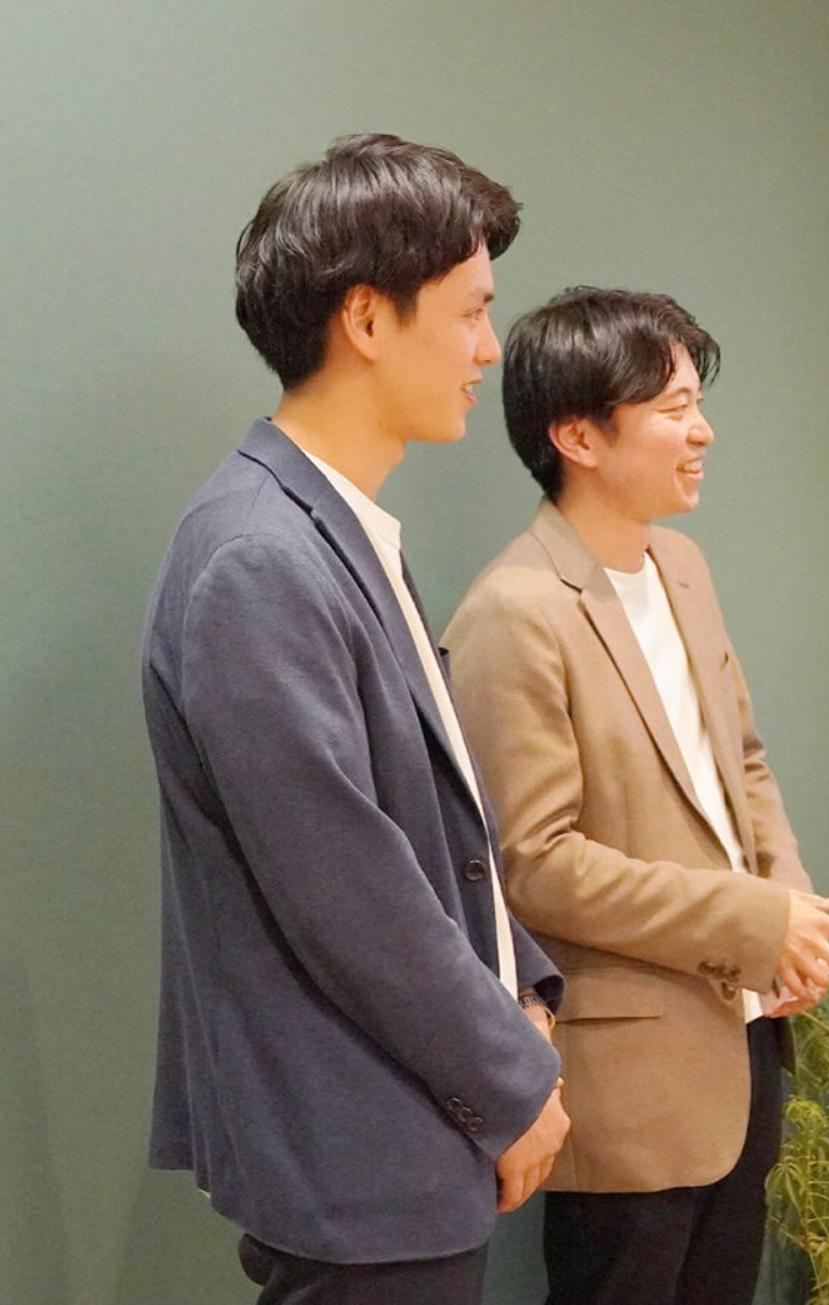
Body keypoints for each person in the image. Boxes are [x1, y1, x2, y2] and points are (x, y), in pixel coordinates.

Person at [140, 134, 569, 1303]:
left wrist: (523, 996)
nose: (489, 348)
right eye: (471, 311)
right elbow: (345, 890)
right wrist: (515, 1075)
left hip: (400, 1136)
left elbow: (434, 828)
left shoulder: (327, 530)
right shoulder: (260, 556)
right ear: (368, 319)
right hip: (358, 1154)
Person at [443, 287, 829, 1305]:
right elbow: (534, 862)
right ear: (578, 437)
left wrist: (789, 908)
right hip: (629, 1083)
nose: (702, 431)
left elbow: (742, 763)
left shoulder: (681, 566)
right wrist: (748, 920)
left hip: (743, 1043)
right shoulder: (514, 610)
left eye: (697, 404)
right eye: (674, 408)